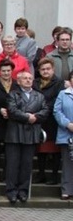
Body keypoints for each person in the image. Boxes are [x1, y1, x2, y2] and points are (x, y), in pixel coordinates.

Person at [4, 71, 49, 204]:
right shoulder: (13, 94)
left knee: (26, 164)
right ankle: (11, 191)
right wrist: (27, 117)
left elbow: (45, 110)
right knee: (12, 164)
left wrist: (36, 117)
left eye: (30, 78)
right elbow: (12, 110)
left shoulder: (39, 96)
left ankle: (23, 191)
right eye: (25, 78)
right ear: (19, 81)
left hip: (31, 133)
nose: (28, 80)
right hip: (15, 133)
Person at [33, 57, 64, 185]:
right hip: (39, 121)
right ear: (39, 71)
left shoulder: (59, 83)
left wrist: (42, 109)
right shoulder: (35, 83)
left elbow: (57, 100)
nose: (46, 71)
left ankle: (54, 176)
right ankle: (41, 174)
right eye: (43, 69)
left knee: (54, 150)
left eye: (48, 69)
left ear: (53, 70)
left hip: (52, 120)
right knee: (41, 150)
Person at [54, 71, 73, 200]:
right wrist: (67, 124)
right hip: (67, 134)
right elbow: (57, 111)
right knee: (67, 164)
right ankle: (66, 190)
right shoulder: (63, 94)